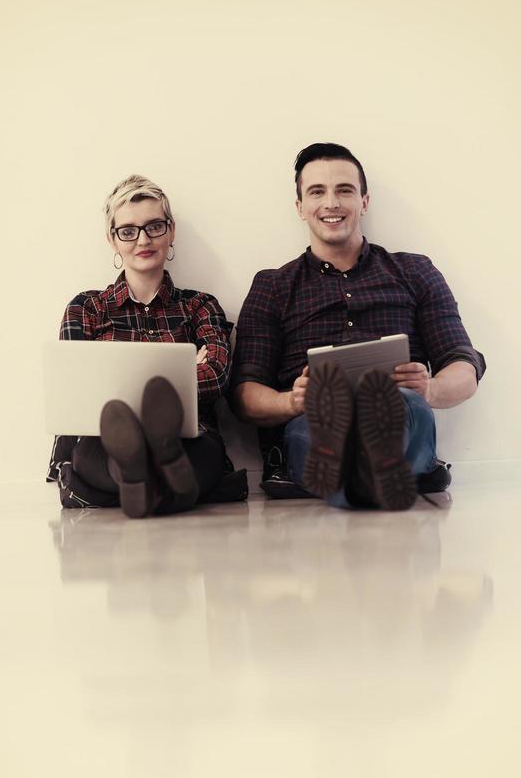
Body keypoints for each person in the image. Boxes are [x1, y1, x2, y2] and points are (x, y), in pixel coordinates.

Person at [231, 143, 485, 511]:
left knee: (403, 407)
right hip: (315, 420)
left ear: (364, 201)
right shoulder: (272, 286)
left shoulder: (415, 272)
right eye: (317, 192)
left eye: (344, 190)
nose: (331, 203)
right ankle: (375, 475)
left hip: (399, 409)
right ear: (300, 207)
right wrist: (291, 401)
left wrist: (430, 388)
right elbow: (243, 394)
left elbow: (465, 364)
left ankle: (361, 477)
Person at [47, 175, 247, 517]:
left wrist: (121, 393)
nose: (143, 239)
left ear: (171, 232)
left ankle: (138, 483)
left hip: (190, 438)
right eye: (128, 230)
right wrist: (180, 378)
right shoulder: (86, 308)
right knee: (95, 453)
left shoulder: (200, 305)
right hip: (104, 442)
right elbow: (77, 394)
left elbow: (214, 379)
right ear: (112, 240)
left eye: (154, 226)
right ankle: (161, 486)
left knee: (204, 453)